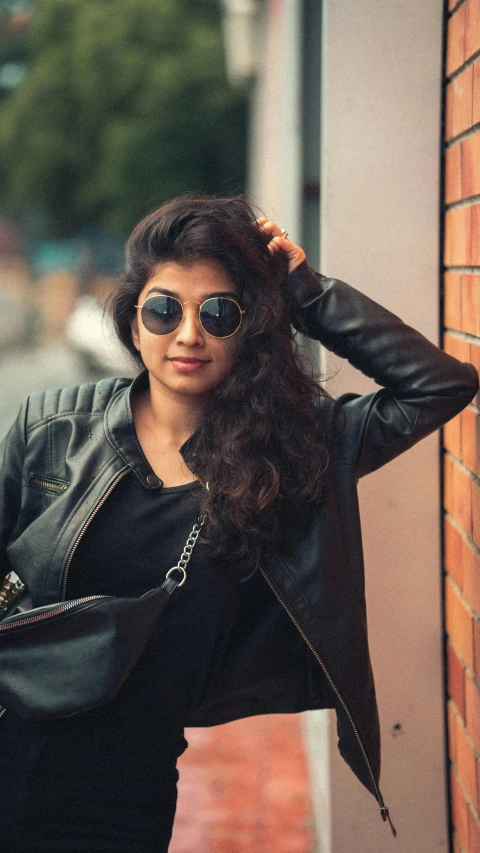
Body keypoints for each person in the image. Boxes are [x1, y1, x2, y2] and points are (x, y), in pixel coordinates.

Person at [0, 194, 477, 852]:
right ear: (134, 324)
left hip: (129, 788)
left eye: (218, 313)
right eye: (164, 309)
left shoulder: (296, 450)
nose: (189, 333)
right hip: (11, 738)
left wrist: (307, 292)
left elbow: (439, 385)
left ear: (249, 328)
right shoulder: (51, 426)